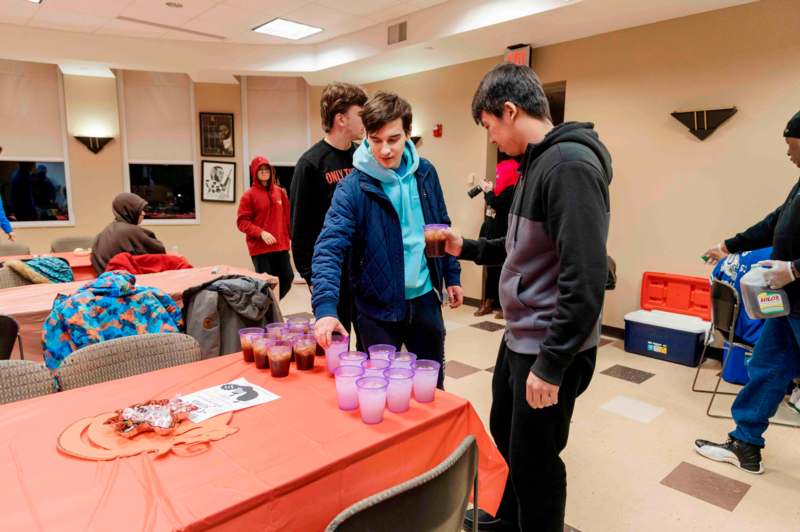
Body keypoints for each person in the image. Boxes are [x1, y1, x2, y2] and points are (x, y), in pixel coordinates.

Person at [444, 63, 612, 532]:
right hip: (522, 335)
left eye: (489, 125)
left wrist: (553, 363)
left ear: (510, 111)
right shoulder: (537, 162)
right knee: (509, 436)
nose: (492, 137)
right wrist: (469, 248)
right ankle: (511, 521)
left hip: (550, 344)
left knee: (537, 459)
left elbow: (586, 275)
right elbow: (524, 247)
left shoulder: (570, 166)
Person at [312, 92, 463, 387]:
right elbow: (328, 249)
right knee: (380, 392)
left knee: (432, 389)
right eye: (375, 139)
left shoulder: (426, 173)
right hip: (376, 310)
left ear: (408, 134)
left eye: (393, 139)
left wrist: (451, 274)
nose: (384, 150)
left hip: (424, 302)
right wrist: (326, 310)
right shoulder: (352, 188)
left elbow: (440, 226)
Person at [695, 110, 800, 474]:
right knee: (767, 367)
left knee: (769, 366)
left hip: (796, 294)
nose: (787, 152)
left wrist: (795, 268)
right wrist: (728, 245)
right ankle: (745, 444)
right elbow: (774, 224)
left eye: (791, 143)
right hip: (786, 304)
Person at [291, 82, 368, 339]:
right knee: (337, 344)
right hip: (332, 272)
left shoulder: (364, 159)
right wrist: (313, 278)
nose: (366, 119)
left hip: (364, 270)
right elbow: (300, 229)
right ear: (341, 119)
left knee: (370, 345)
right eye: (361, 113)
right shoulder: (310, 164)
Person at [236, 156, 293, 299]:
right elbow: (242, 222)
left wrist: (292, 238)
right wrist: (261, 233)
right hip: (260, 249)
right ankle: (268, 313)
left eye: (266, 169)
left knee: (287, 278)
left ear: (271, 171)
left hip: (281, 246)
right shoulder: (248, 196)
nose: (263, 172)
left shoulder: (280, 192)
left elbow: (287, 218)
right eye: (260, 169)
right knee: (266, 285)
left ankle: (269, 310)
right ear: (254, 173)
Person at [474, 159, 520, 318]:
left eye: (500, 173)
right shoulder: (497, 190)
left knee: (503, 271)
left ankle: (503, 305)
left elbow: (497, 204)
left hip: (503, 235)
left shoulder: (512, 191)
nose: (498, 176)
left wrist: (488, 193)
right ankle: (488, 302)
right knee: (490, 270)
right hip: (491, 232)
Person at [91, 192, 166, 273]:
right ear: (128, 210)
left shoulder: (106, 231)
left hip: (107, 281)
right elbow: (159, 251)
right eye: (139, 210)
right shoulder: (131, 231)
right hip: (127, 282)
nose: (143, 213)